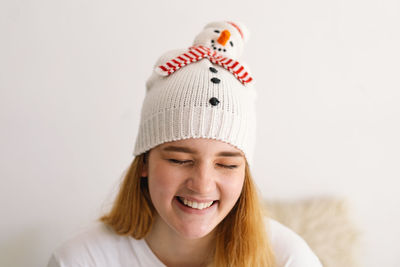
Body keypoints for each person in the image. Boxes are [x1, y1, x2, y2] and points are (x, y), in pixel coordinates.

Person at [47, 21, 323, 267]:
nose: (202, 184)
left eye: (226, 164)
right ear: (144, 162)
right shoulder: (79, 260)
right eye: (180, 160)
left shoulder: (288, 259)